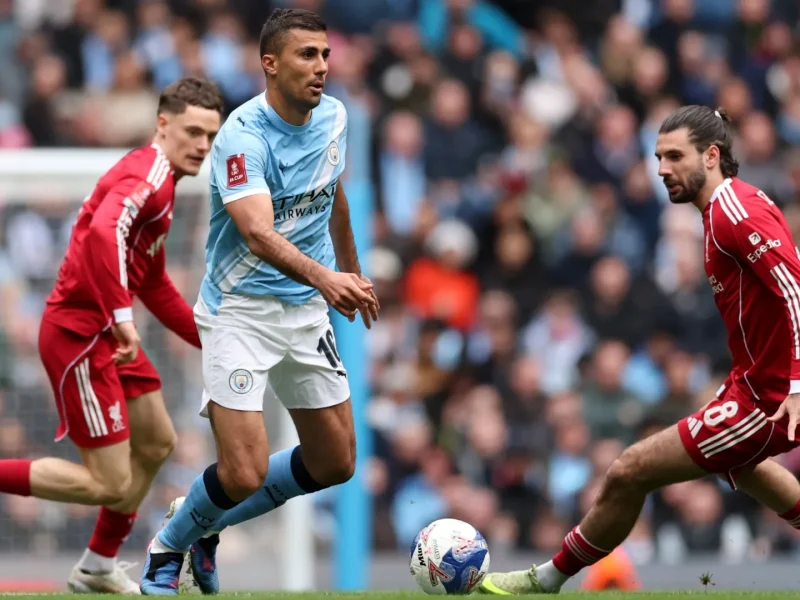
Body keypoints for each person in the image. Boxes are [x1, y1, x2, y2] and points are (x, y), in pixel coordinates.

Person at [479, 105, 800, 595]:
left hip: (773, 393)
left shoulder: (735, 212)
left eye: (675, 156)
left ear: (712, 156)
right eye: (657, 157)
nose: (661, 169)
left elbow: (792, 289)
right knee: (740, 465)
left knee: (630, 469)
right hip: (752, 381)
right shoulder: (721, 211)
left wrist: (795, 385)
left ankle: (543, 580)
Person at [140, 8, 378, 596]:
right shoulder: (241, 137)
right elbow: (257, 232)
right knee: (242, 472)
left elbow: (333, 189)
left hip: (305, 309)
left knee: (335, 462)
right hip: (240, 310)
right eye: (307, 55)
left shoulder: (336, 117)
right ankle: (168, 545)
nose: (321, 67)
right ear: (269, 64)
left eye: (325, 55)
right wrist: (328, 278)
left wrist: (351, 270)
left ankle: (204, 526)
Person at [0, 77, 223, 594]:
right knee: (108, 481)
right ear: (162, 125)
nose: (202, 146)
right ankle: (95, 563)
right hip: (82, 336)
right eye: (192, 131)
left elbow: (158, 286)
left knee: (158, 441)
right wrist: (122, 317)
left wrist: (214, 341)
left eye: (210, 136)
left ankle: (97, 566)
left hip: (110, 334)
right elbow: (104, 231)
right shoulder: (147, 174)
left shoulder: (163, 186)